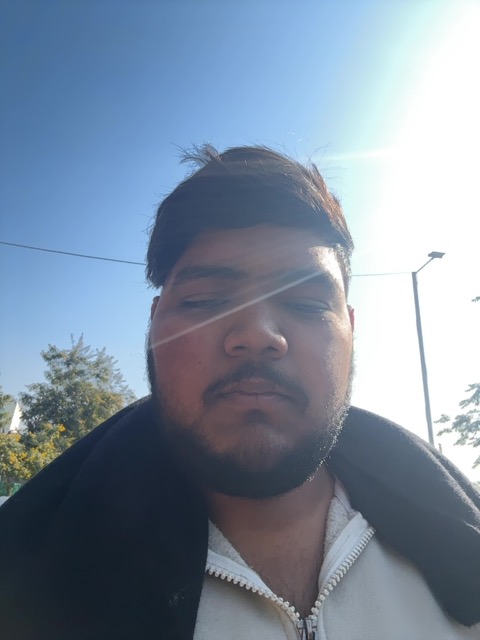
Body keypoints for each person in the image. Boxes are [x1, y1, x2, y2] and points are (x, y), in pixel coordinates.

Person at [0, 145, 479, 640]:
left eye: (306, 303)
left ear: (351, 331)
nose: (257, 334)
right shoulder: (20, 585)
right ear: (153, 325)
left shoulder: (464, 549)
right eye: (204, 300)